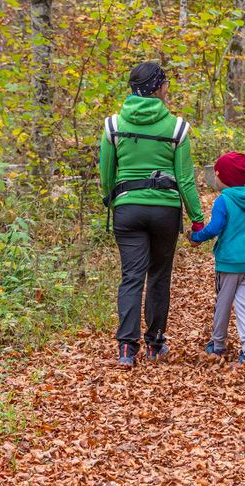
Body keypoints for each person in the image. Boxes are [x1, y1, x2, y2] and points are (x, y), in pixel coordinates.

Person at [99, 61, 205, 369]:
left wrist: (113, 199)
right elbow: (185, 179)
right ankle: (155, 343)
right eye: (165, 83)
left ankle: (126, 349)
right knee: (159, 276)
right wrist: (197, 217)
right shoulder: (177, 128)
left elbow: (107, 172)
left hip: (127, 209)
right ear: (157, 88)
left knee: (131, 276)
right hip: (165, 211)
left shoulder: (113, 125)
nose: (167, 88)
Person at [190, 152, 245, 368]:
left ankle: (218, 344)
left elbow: (215, 228)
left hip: (229, 263)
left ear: (223, 177)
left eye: (216, 173)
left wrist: (195, 237)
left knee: (223, 303)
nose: (214, 177)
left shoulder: (223, 200)